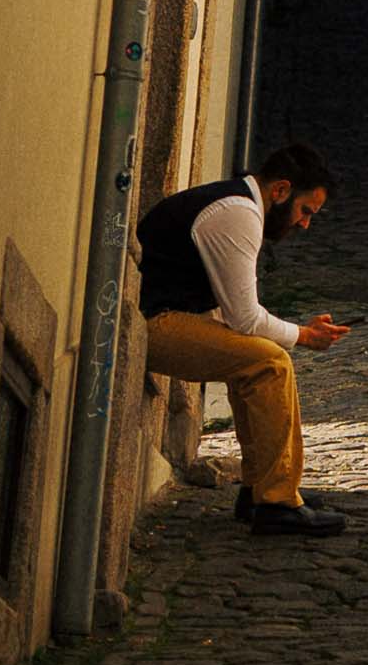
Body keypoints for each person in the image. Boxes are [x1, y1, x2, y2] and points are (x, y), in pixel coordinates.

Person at [137, 143, 353, 538]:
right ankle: (276, 501)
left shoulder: (235, 205)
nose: (305, 224)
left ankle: (263, 487)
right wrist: (303, 335)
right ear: (281, 190)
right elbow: (245, 317)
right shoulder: (238, 214)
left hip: (164, 315)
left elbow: (235, 317)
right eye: (306, 211)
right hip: (150, 323)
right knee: (269, 363)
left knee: (257, 358)